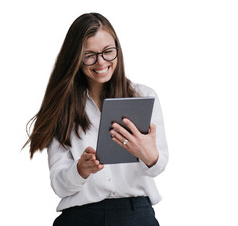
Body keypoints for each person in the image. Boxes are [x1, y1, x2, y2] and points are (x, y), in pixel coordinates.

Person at [24, 13, 169, 226]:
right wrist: (80, 170)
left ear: (117, 50)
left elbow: (158, 166)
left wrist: (148, 154)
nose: (101, 62)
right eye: (89, 55)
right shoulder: (62, 107)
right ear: (75, 58)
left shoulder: (143, 97)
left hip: (135, 214)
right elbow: (59, 185)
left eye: (108, 52)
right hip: (80, 218)